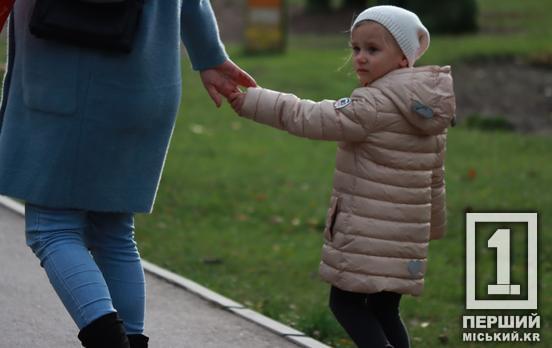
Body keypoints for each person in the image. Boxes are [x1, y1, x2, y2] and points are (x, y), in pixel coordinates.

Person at [0, 1, 255, 347]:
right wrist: (208, 54)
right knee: (112, 230)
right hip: (146, 85)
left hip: (67, 79)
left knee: (52, 227)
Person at [229, 5, 455, 348]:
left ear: (403, 58)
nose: (360, 58)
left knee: (345, 304)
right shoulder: (427, 112)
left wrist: (251, 102)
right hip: (404, 240)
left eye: (373, 49)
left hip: (366, 237)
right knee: (384, 310)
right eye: (356, 48)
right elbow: (434, 179)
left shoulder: (373, 104)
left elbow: (308, 116)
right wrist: (433, 227)